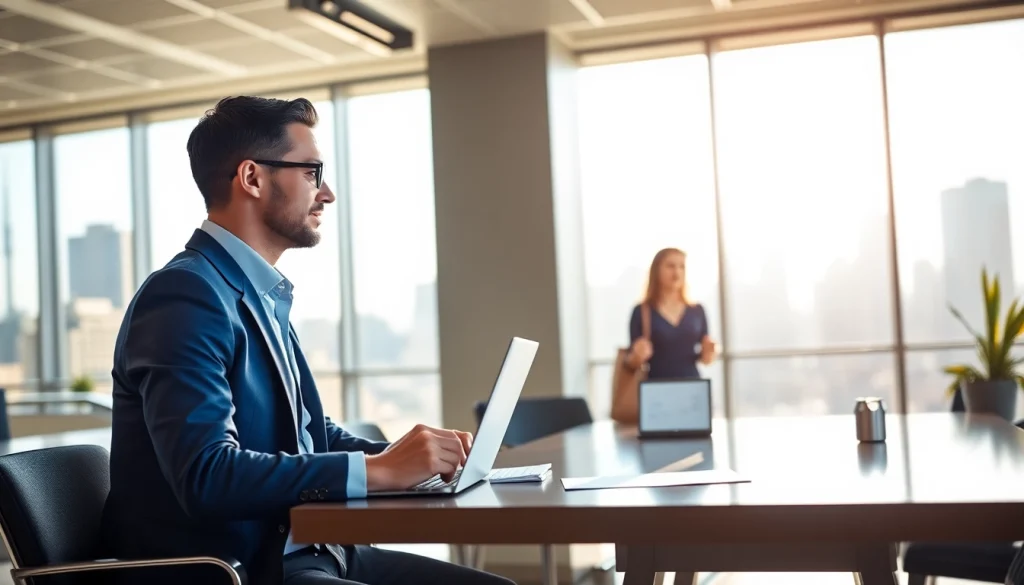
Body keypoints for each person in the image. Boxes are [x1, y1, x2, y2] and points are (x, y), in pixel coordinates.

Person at [100, 96, 516, 585]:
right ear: (252, 178)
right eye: (313, 172)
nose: (328, 193)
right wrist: (376, 471)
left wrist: (409, 458)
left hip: (315, 553)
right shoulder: (185, 295)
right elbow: (207, 475)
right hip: (248, 570)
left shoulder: (257, 291)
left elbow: (303, 433)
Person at [625, 247, 716, 379]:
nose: (677, 272)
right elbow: (631, 363)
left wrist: (709, 352)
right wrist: (638, 356)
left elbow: (706, 359)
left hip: (692, 383)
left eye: (682, 267)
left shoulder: (697, 310)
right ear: (656, 270)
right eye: (670, 266)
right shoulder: (642, 311)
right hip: (656, 386)